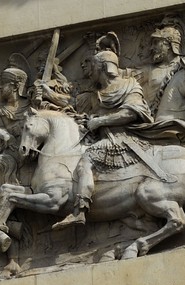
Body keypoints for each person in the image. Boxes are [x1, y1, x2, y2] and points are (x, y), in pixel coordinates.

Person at [53, 35, 155, 229]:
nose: (89, 72)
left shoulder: (129, 85)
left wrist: (100, 121)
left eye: (92, 67)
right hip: (102, 140)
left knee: (86, 160)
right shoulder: (94, 94)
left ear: (103, 67)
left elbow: (133, 112)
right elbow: (71, 104)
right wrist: (47, 93)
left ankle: (80, 210)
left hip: (123, 140)